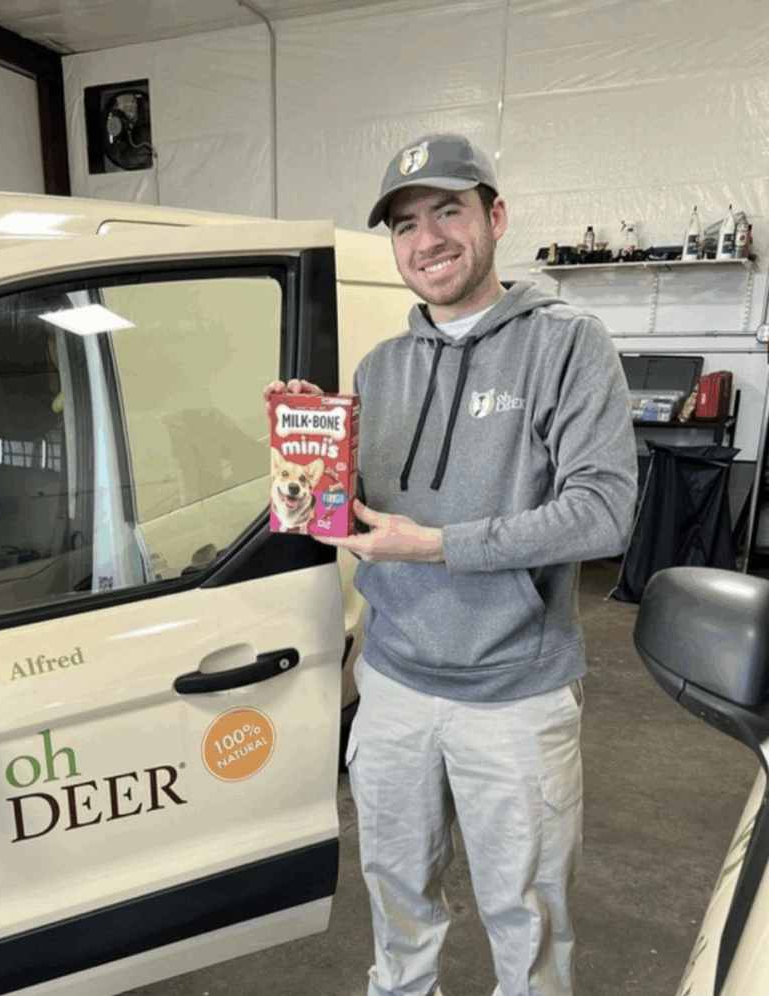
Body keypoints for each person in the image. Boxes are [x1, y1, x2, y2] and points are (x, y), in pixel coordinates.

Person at [263, 133, 637, 996]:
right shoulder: (379, 368)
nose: (425, 239)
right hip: (392, 683)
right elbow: (339, 509)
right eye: (403, 225)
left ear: (494, 216)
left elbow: (603, 513)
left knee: (527, 917)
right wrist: (307, 450)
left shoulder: (566, 346)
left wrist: (434, 545)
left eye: (446, 211)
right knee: (396, 901)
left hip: (515, 693)